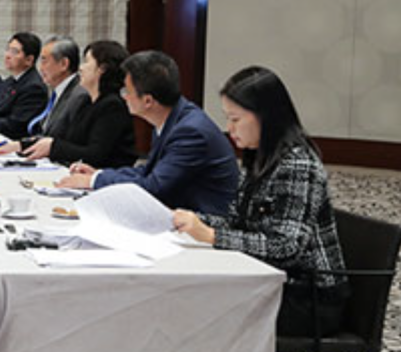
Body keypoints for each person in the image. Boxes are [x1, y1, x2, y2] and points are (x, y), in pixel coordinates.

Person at [172, 67, 347, 336]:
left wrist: (211, 235)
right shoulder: (260, 156)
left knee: (196, 309)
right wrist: (192, 221)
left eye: (235, 119)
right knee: (188, 299)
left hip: (308, 299)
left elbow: (286, 247)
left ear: (266, 117)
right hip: (270, 280)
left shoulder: (298, 164)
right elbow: (236, 220)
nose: (229, 129)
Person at [57, 50, 239, 214]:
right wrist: (99, 174)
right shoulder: (171, 118)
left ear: (148, 101)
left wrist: (92, 181)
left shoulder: (190, 132)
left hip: (205, 224)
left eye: (126, 91)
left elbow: (153, 187)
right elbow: (148, 172)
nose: (124, 96)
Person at [18, 40, 137, 169]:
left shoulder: (112, 106)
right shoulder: (86, 101)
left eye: (87, 62)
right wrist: (22, 145)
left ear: (102, 69)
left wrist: (53, 147)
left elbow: (95, 154)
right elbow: (65, 139)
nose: (81, 68)